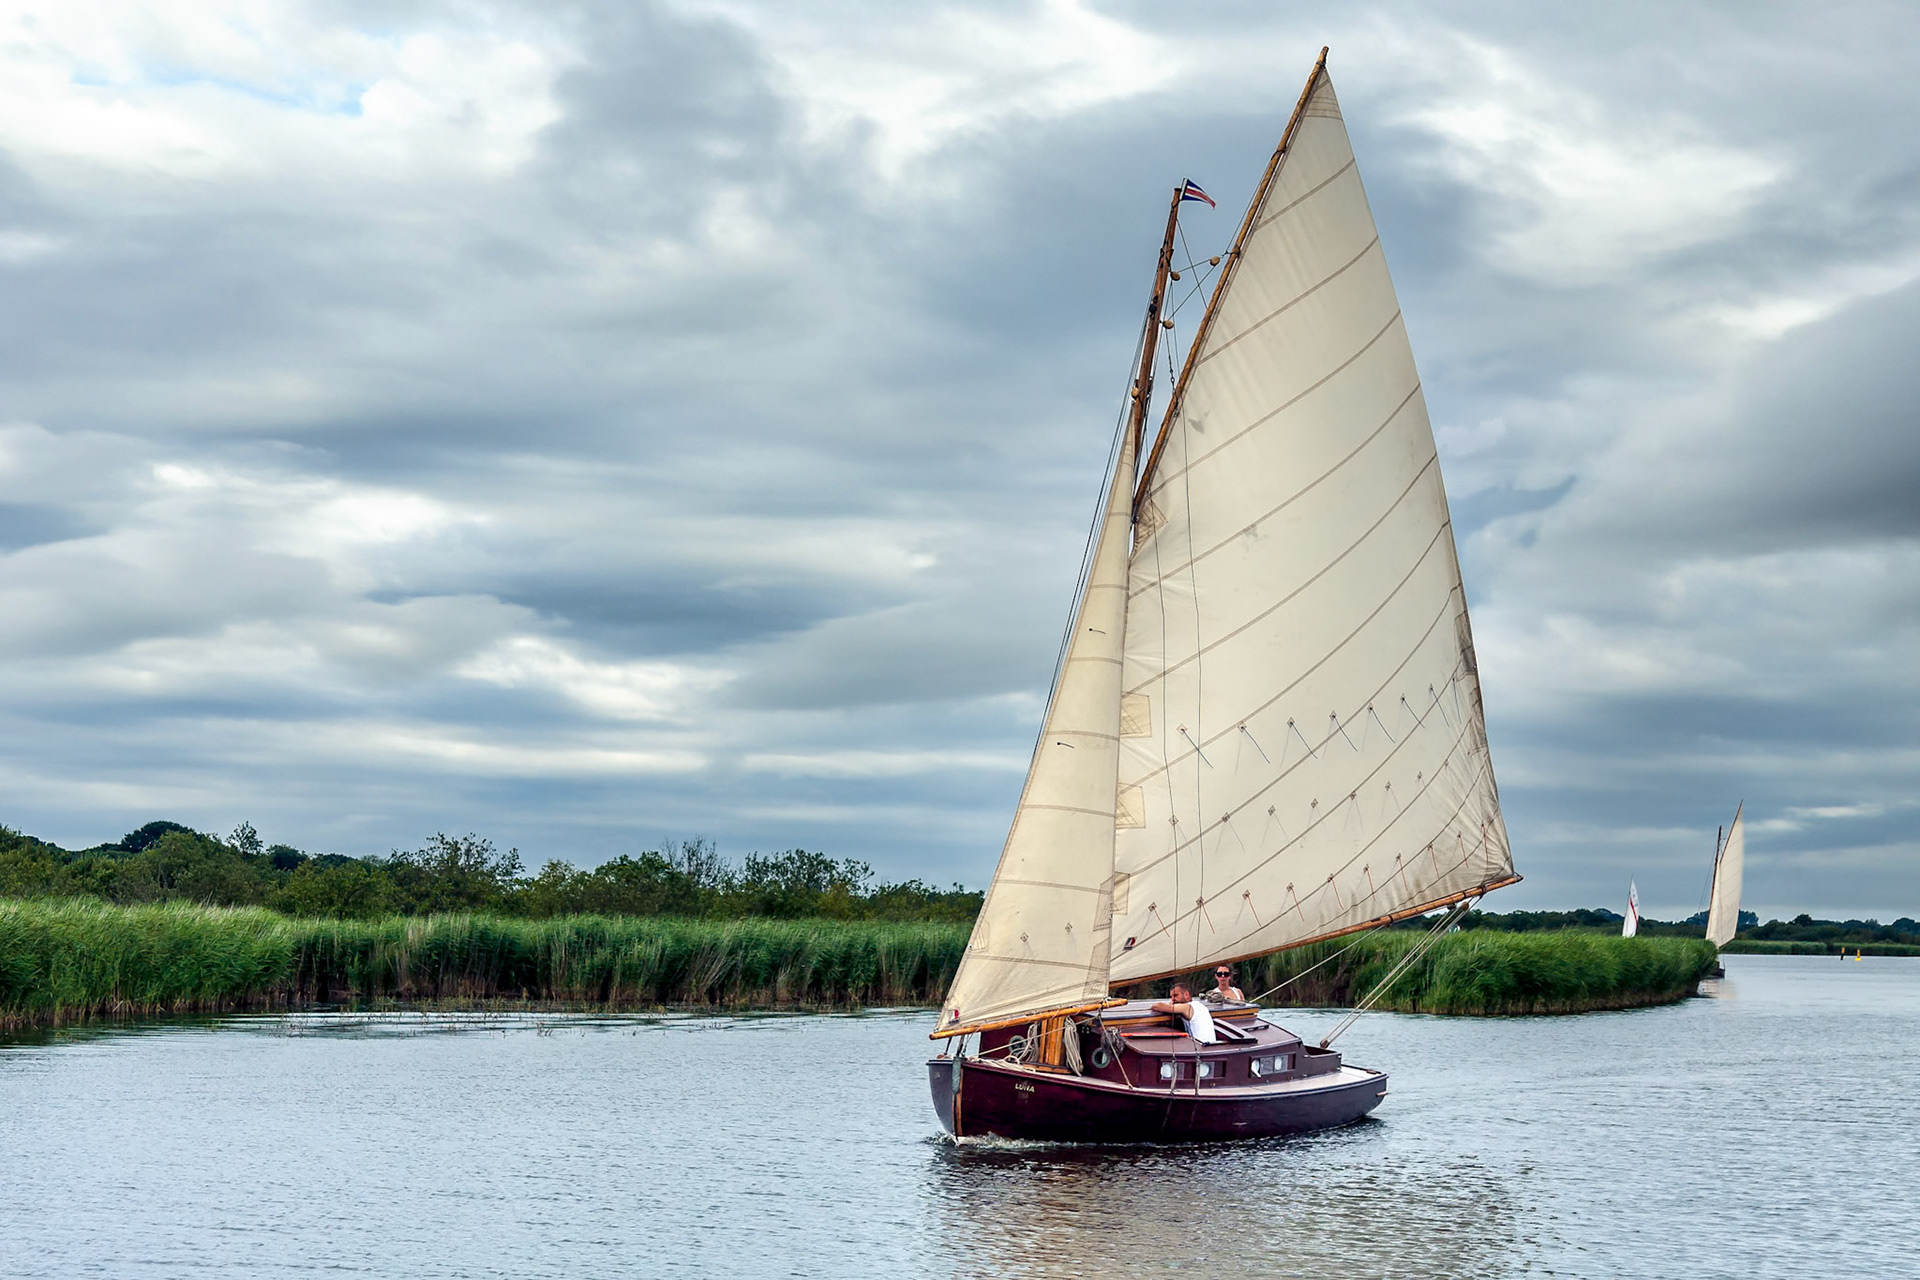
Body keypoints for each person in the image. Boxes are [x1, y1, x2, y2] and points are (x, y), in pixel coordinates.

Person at [1151, 982, 1217, 1044]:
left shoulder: (1188, 1007)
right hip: (1208, 1047)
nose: (1172, 999)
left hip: (1201, 1048)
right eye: (1171, 997)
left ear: (1186, 995)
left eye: (1175, 995)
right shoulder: (1199, 1006)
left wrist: (1170, 1006)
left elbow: (1157, 1006)